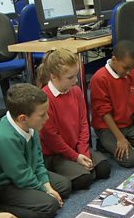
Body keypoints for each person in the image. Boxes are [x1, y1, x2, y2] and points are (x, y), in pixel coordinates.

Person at [0, 84, 71, 218]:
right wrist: (46, 191)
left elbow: (38, 160)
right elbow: (21, 176)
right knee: (50, 206)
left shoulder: (31, 126)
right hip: (3, 186)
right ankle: (1, 207)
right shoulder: (4, 138)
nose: (47, 118)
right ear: (23, 118)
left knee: (64, 185)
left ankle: (37, 196)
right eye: (42, 115)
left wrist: (47, 186)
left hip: (25, 173)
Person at [37, 48, 110, 191]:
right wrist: (75, 157)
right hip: (56, 154)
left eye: (76, 76)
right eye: (70, 78)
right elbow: (52, 139)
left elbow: (84, 123)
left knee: (104, 169)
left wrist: (83, 151)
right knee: (84, 179)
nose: (76, 81)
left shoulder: (76, 91)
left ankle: (78, 165)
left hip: (76, 147)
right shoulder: (44, 99)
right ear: (53, 77)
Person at [90, 40, 134, 168]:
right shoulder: (99, 78)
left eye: (132, 68)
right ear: (114, 59)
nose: (129, 72)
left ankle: (125, 142)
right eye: (125, 68)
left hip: (127, 125)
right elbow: (104, 112)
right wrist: (119, 138)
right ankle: (104, 143)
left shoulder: (131, 73)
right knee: (130, 160)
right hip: (107, 128)